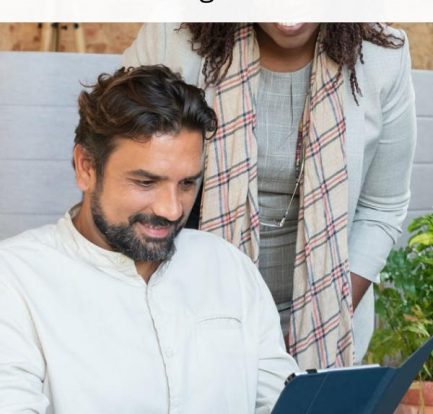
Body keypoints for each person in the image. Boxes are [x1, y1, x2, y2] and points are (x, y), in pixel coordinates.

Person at [0, 65, 298, 413]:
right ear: (86, 167)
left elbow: (283, 403)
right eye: (146, 182)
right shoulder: (14, 280)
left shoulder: (228, 266)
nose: (171, 210)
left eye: (187, 184)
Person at [123, 23, 417, 368]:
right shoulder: (170, 39)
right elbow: (120, 175)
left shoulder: (383, 56)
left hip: (321, 327)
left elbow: (381, 206)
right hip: (183, 317)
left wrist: (322, 318)